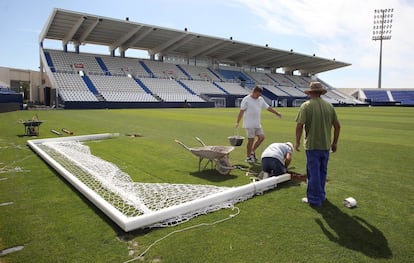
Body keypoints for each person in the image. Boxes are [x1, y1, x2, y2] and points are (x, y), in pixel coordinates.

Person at [295, 82, 341, 207]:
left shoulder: (306, 106)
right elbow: (337, 126)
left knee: (313, 173)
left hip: (312, 145)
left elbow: (299, 126)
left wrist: (297, 142)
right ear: (321, 93)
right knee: (322, 172)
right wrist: (335, 143)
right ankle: (321, 196)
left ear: (310, 93)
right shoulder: (329, 106)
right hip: (325, 145)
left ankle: (314, 199)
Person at [235, 86, 282, 163]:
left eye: (259, 95)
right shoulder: (246, 99)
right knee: (251, 140)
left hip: (257, 123)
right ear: (253, 91)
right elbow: (241, 111)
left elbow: (268, 107)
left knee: (261, 137)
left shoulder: (260, 99)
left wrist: (276, 113)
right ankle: (248, 157)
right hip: (249, 124)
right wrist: (237, 122)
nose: (258, 96)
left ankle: (252, 152)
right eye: (257, 94)